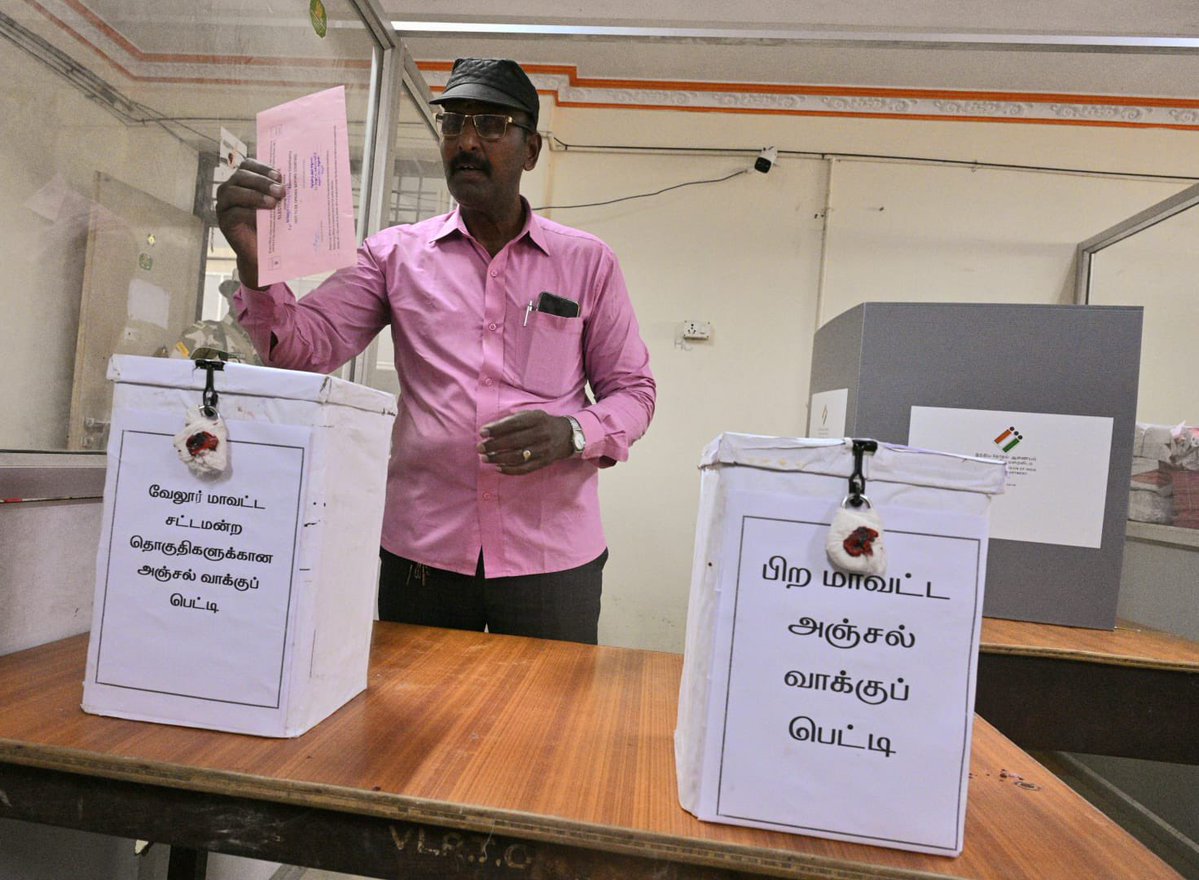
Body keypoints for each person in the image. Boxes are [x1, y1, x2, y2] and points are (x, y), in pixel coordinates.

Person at [215, 58, 655, 644]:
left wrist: (572, 433)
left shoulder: (587, 262)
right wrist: (254, 262)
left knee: (545, 726)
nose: (468, 142)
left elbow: (635, 392)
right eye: (454, 125)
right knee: (417, 727)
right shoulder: (392, 256)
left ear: (531, 150)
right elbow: (302, 349)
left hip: (550, 559)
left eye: (493, 125)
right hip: (425, 554)